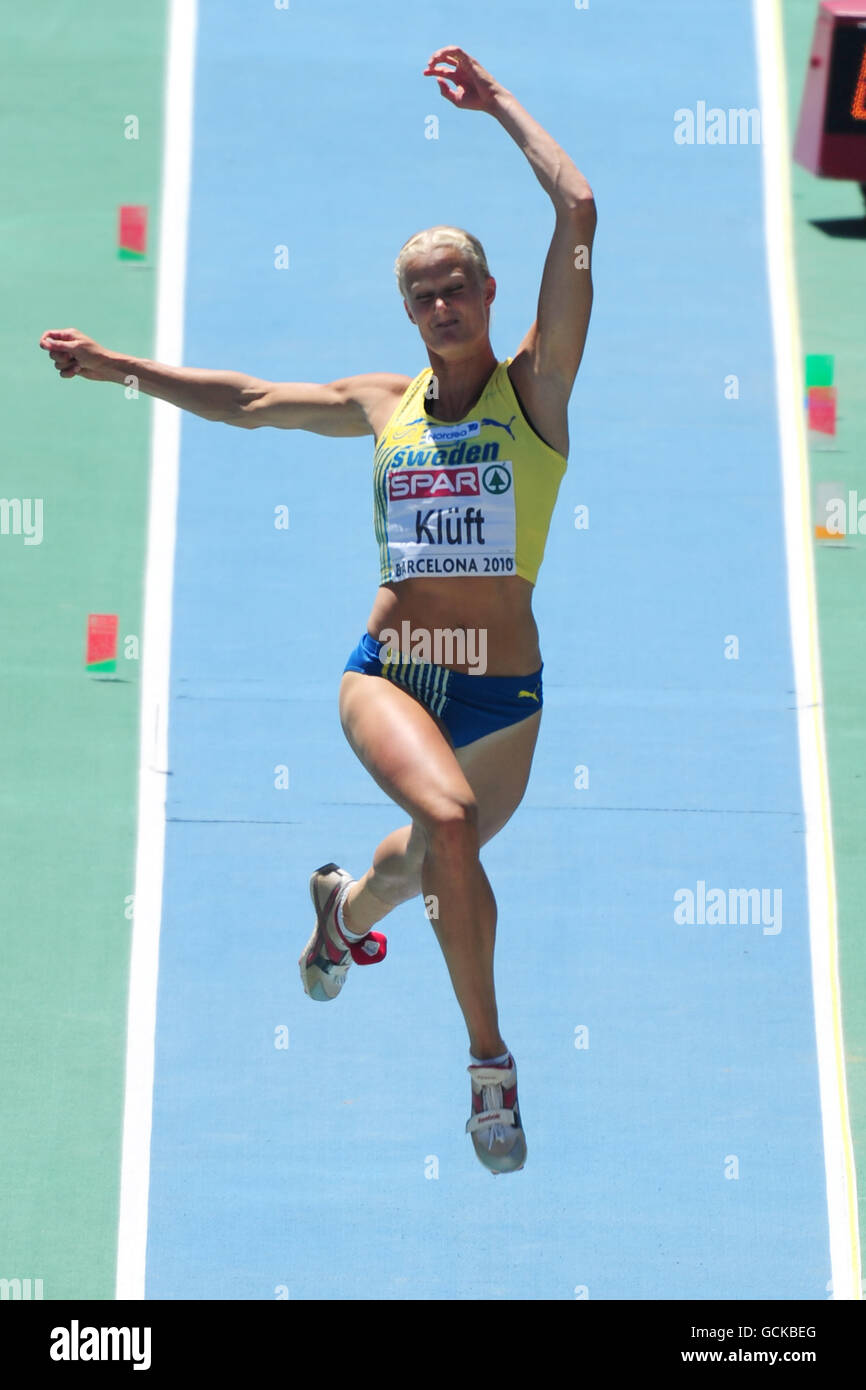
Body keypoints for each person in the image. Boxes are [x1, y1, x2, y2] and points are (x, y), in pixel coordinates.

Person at [40, 45, 595, 1174]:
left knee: (426, 860)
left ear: (489, 295)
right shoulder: (379, 404)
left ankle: (342, 909)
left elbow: (577, 206)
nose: (439, 303)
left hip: (503, 692)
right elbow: (244, 400)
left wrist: (495, 108)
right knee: (447, 832)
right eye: (419, 293)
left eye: (456, 286)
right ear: (406, 310)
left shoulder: (535, 393)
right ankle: (489, 1066)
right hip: (392, 673)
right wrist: (114, 368)